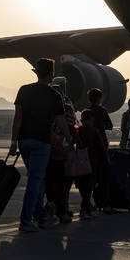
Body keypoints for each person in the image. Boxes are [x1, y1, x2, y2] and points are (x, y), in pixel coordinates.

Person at [9, 58, 66, 233]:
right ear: (51, 75)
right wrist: (70, 138)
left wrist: (13, 141)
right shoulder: (54, 96)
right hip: (42, 142)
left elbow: (18, 118)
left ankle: (41, 217)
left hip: (24, 141)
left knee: (35, 179)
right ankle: (26, 220)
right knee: (35, 180)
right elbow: (61, 121)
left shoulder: (24, 90)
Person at [45, 75, 77, 223]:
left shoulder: (46, 101)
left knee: (49, 179)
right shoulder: (66, 102)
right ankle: (62, 211)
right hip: (64, 147)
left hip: (49, 146)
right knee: (65, 180)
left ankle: (50, 206)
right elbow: (72, 125)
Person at [83, 88, 113, 213]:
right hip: (101, 145)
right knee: (103, 177)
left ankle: (87, 203)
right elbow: (109, 126)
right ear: (100, 98)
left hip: (88, 147)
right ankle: (103, 203)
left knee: (89, 177)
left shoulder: (87, 112)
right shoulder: (102, 111)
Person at [73, 108, 104, 218]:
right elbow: (101, 146)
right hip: (92, 160)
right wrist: (106, 159)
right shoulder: (94, 131)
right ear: (91, 119)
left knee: (82, 185)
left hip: (79, 161)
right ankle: (85, 208)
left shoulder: (78, 131)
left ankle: (86, 206)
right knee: (89, 186)